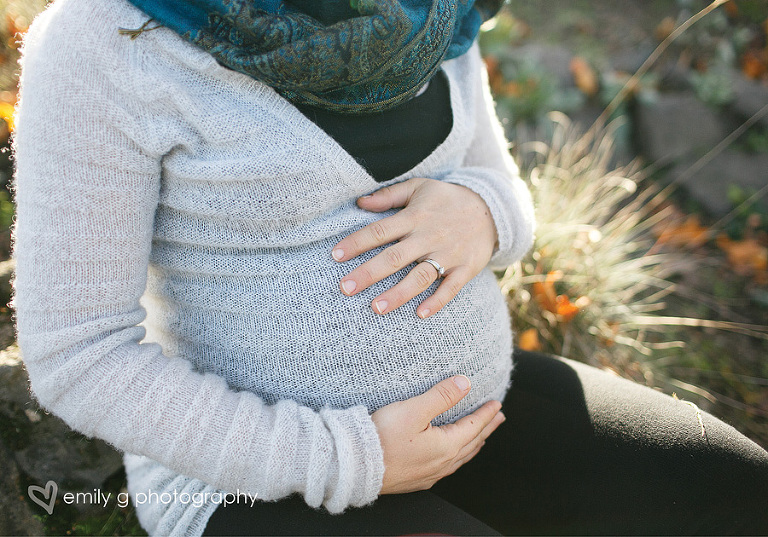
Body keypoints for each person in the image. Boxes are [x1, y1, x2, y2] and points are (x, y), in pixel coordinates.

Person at [12, 0, 768, 536]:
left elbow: (501, 186)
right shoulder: (103, 40)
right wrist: (350, 458)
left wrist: (480, 211)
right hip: (251, 479)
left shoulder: (427, 16)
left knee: (737, 490)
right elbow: (78, 354)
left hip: (475, 418)